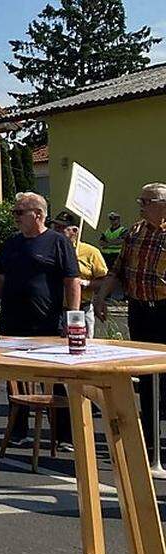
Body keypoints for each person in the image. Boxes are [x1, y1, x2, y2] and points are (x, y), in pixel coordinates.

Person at [0, 192, 80, 449]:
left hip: (47, 323)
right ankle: (18, 430)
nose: (15, 217)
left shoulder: (58, 243)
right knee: (17, 378)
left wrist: (73, 317)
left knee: (56, 379)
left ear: (37, 214)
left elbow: (72, 282)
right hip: (13, 322)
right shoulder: (12, 244)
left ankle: (63, 435)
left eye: (18, 212)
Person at [96, 183, 166, 456]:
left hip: (164, 310)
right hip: (140, 310)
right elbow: (117, 269)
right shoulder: (135, 231)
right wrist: (101, 297)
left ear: (162, 204)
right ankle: (149, 441)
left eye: (146, 201)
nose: (140, 205)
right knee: (146, 377)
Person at [50, 210, 107, 337]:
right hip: (54, 309)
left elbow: (104, 281)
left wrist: (85, 283)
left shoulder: (90, 252)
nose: (57, 231)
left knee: (81, 345)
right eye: (55, 227)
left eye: (62, 228)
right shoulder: (50, 249)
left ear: (74, 231)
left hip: (82, 308)